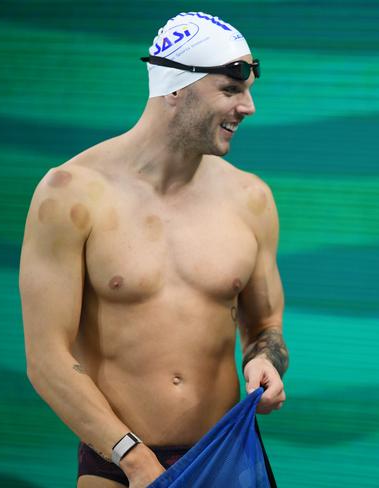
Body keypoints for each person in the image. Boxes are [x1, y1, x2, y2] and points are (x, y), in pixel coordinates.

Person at [19, 11, 288, 488]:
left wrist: (263, 360)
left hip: (226, 453)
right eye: (230, 90)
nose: (248, 107)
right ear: (174, 88)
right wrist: (134, 459)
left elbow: (264, 325)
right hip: (118, 462)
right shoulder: (71, 194)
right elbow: (46, 359)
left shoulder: (252, 199)